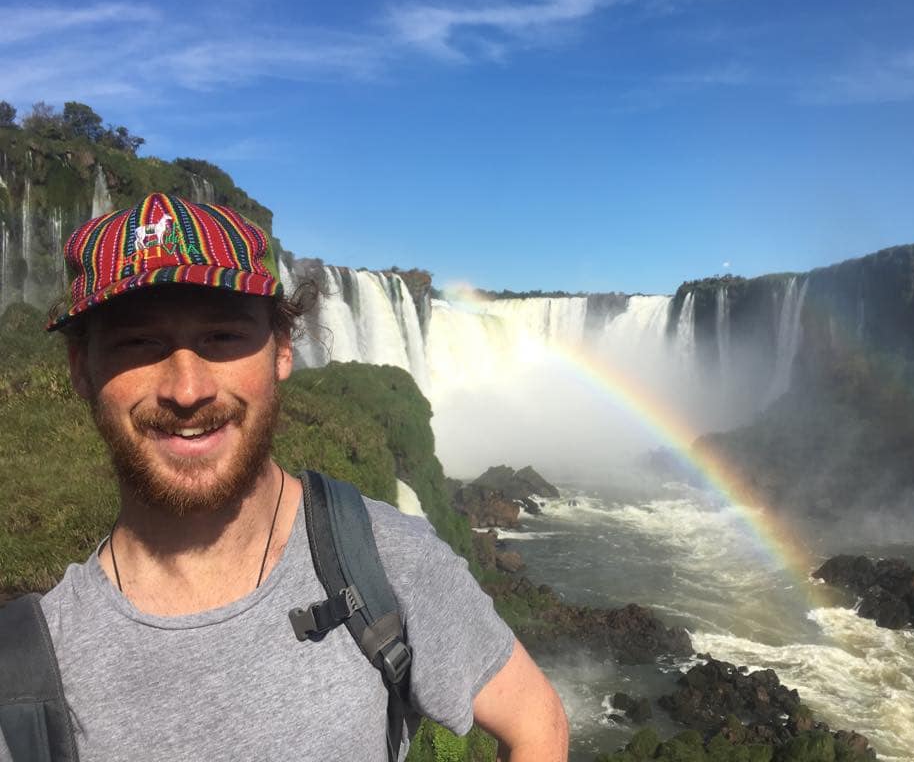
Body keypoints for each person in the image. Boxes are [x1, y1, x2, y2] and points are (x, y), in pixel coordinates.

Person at [9, 192, 568, 761]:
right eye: (139, 343)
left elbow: (538, 724)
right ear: (81, 367)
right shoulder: (28, 671)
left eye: (222, 336)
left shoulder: (387, 561)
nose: (186, 388)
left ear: (281, 349)